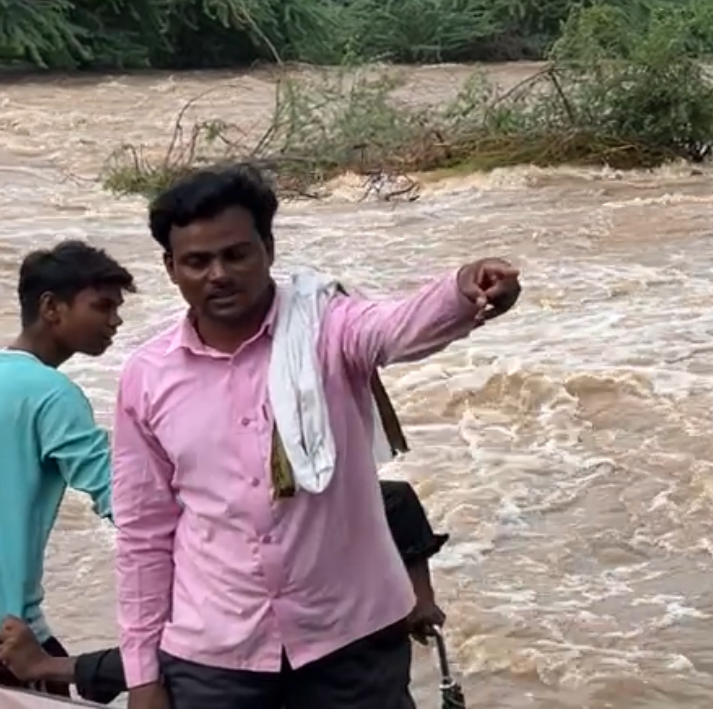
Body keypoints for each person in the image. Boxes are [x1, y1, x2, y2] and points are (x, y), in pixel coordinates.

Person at [113, 164, 521, 709]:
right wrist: (142, 676)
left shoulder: (329, 329)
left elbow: (397, 326)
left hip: (350, 642)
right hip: (215, 654)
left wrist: (464, 290)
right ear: (170, 268)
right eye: (197, 261)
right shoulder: (148, 377)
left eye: (236, 254)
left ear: (269, 249)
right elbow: (144, 533)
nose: (218, 274)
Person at [0, 479, 451, 702]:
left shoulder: (266, 601)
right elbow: (397, 500)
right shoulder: (373, 599)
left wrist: (51, 666)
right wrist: (420, 599)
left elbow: (185, 661)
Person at [0, 242, 133, 698]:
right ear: (51, 308)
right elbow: (121, 500)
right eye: (103, 306)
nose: (115, 320)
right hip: (9, 630)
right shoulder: (52, 394)